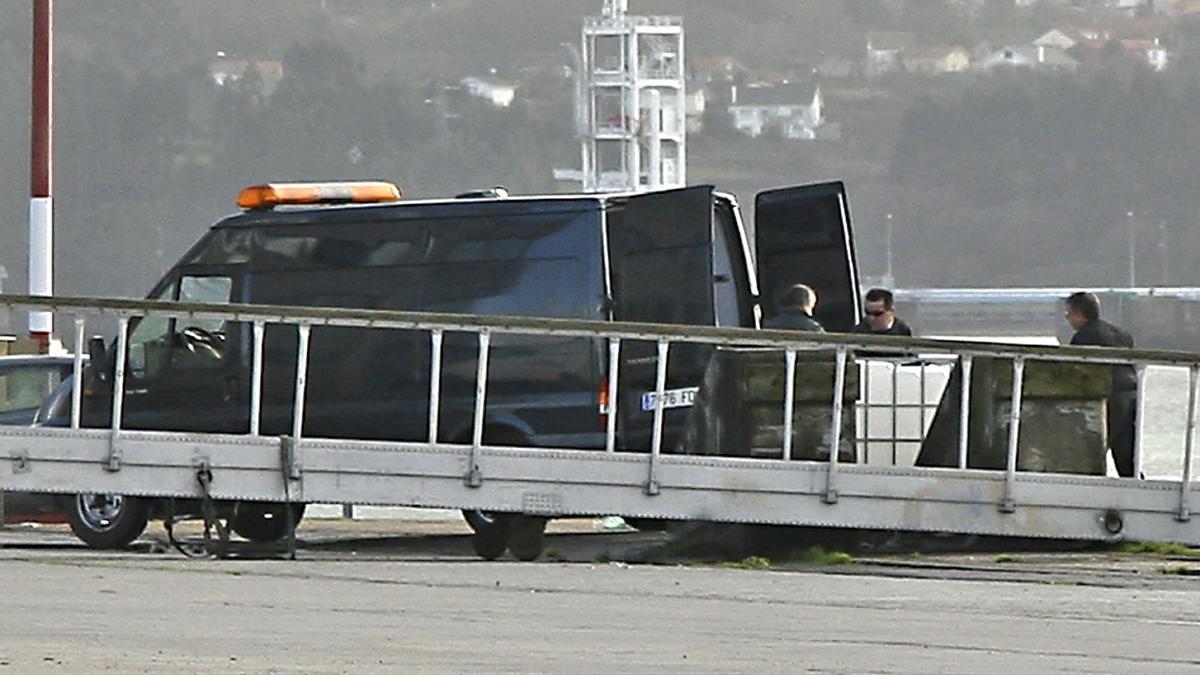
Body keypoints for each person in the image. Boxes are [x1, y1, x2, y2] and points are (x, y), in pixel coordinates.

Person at [1064, 291, 1137, 478]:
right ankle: (1136, 488)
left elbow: (1077, 373)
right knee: (1126, 452)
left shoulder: (1083, 337)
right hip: (1132, 394)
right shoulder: (1122, 335)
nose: (1067, 317)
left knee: (1094, 449)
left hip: (1108, 396)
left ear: (1079, 314)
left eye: (1069, 313)